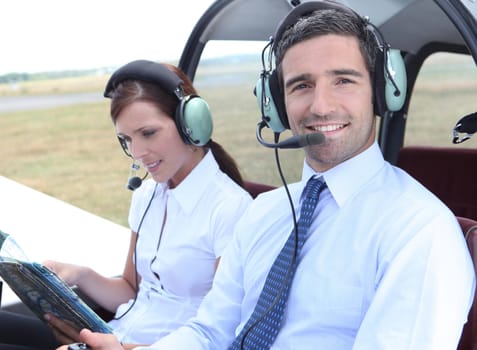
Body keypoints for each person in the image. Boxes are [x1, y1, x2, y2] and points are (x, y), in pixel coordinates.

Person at [68, 2, 476, 350]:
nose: (320, 105)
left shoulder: (420, 233)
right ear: (277, 106)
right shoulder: (265, 213)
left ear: (383, 91)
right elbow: (210, 332)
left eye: (343, 81)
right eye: (300, 86)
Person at [0, 60, 252, 350]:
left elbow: (219, 335)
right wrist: (81, 275)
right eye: (126, 140)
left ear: (191, 124)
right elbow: (130, 290)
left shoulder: (230, 209)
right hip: (112, 337)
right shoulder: (148, 195)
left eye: (148, 133)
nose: (138, 153)